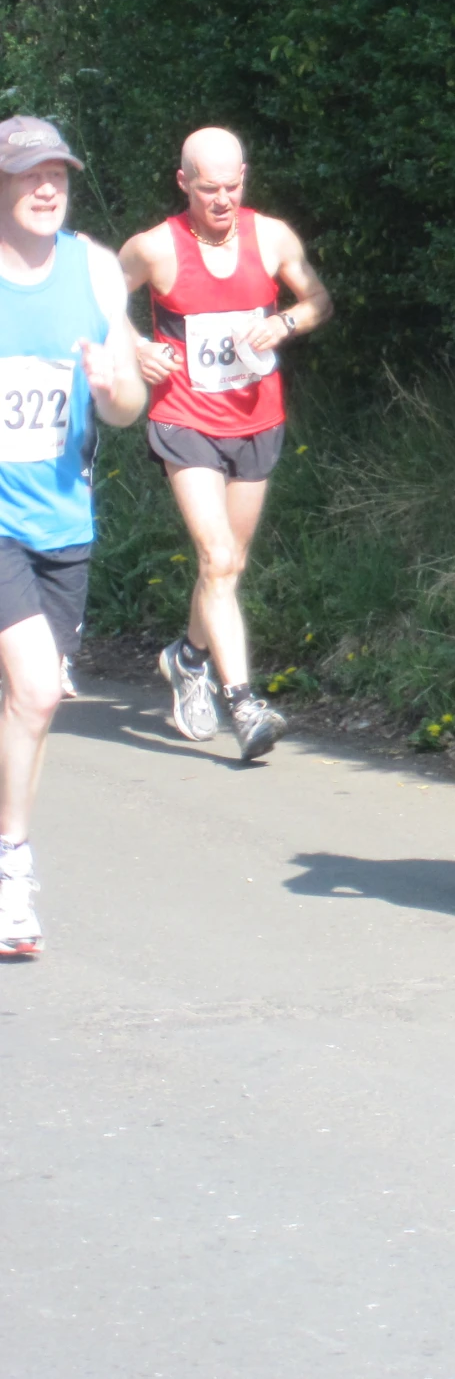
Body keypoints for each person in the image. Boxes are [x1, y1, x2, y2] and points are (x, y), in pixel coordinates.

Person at [119, 127, 333, 760]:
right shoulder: (155, 248)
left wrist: (286, 321)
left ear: (245, 176)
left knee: (227, 566)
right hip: (185, 418)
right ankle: (243, 701)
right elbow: (96, 299)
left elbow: (317, 298)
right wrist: (138, 347)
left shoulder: (271, 238)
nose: (222, 200)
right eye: (208, 188)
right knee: (215, 557)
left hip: (257, 419)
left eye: (233, 185)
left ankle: (187, 659)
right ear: (183, 182)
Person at [0, 116, 149, 955]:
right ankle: (12, 870)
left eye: (57, 173)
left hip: (63, 520)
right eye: (28, 174)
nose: (47, 186)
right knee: (34, 688)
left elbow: (128, 409)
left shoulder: (94, 270)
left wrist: (111, 382)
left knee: (36, 701)